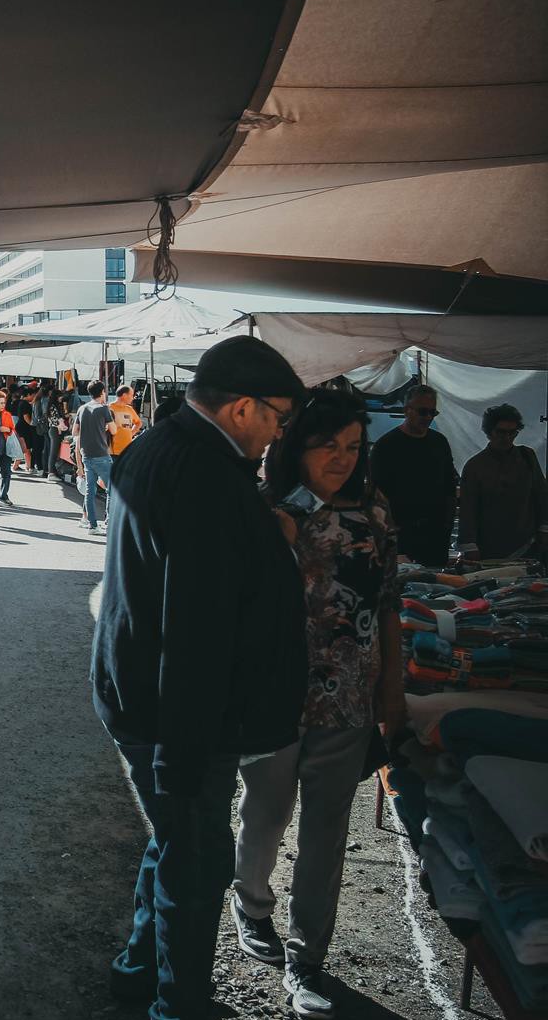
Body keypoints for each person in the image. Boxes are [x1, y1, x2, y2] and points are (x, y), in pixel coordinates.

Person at [93, 335, 307, 1020]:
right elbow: (196, 632)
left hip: (142, 697)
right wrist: (182, 760)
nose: (279, 434)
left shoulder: (163, 445)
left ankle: (138, 966)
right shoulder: (208, 476)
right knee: (198, 863)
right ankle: (178, 1003)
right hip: (178, 717)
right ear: (243, 408)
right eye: (277, 416)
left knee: (175, 843)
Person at [231, 390, 405, 1020]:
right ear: (295, 446)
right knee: (267, 813)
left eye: (353, 447)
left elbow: (388, 602)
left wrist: (394, 691)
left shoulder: (376, 511)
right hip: (276, 694)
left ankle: (309, 957)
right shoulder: (268, 507)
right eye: (327, 445)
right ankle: (251, 904)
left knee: (326, 832)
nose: (340, 459)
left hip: (351, 697)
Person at [369, 385, 456, 566]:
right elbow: (377, 495)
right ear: (407, 410)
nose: (428, 418)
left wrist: (446, 524)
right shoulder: (386, 446)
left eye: (433, 413)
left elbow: (448, 485)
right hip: (401, 533)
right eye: (423, 412)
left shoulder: (439, 443)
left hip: (435, 533)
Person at [458, 403, 548, 560]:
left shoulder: (527, 457)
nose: (506, 437)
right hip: (489, 550)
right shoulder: (475, 467)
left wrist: (544, 529)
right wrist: (469, 546)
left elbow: (541, 495)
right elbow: (468, 511)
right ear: (489, 432)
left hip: (529, 546)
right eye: (501, 432)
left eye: (512, 432)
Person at [75, 382, 118, 533]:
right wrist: (103, 427)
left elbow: (75, 431)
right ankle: (109, 521)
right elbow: (113, 430)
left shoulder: (81, 409)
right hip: (101, 454)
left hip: (86, 455)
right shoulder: (104, 408)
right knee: (112, 489)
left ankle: (92, 525)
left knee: (90, 491)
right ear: (102, 392)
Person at [110, 385, 144, 458]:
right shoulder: (109, 408)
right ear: (124, 395)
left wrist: (131, 433)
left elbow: (138, 423)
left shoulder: (129, 409)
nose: (133, 398)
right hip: (112, 451)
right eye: (131, 395)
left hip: (127, 449)